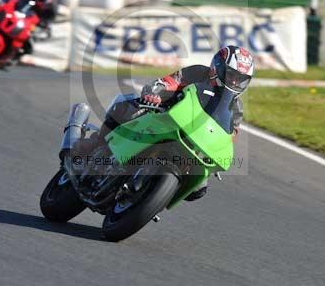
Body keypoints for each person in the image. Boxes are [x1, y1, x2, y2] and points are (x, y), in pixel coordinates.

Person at [75, 45, 255, 201]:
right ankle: (96, 145)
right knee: (126, 106)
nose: (234, 81)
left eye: (240, 79)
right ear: (218, 67)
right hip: (163, 116)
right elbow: (166, 83)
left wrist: (217, 152)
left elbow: (229, 137)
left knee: (198, 188)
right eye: (231, 75)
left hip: (194, 141)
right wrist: (154, 94)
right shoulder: (198, 73)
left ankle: (151, 196)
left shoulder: (236, 108)